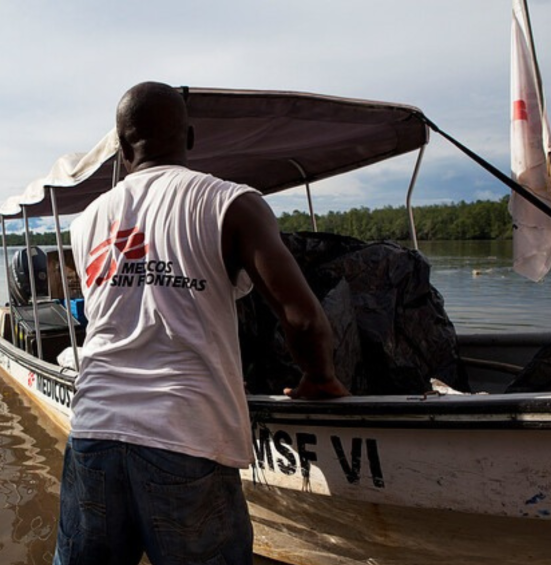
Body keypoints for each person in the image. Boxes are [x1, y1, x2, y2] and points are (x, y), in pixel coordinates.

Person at [54, 81, 349, 565]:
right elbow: (303, 320)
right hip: (187, 437)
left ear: (123, 148)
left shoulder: (85, 222)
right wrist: (321, 379)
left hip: (93, 432)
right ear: (190, 138)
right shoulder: (231, 203)